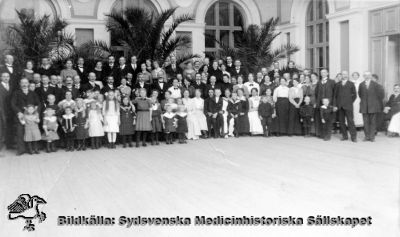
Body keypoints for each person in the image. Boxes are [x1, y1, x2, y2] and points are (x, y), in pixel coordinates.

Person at [11, 78, 41, 155]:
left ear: (28, 84)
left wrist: (36, 111)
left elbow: (38, 104)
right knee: (20, 132)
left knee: (31, 133)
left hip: (31, 117)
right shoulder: (16, 93)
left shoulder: (33, 93)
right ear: (20, 84)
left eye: (26, 83)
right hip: (21, 116)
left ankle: (31, 149)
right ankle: (21, 150)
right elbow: (13, 104)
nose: (24, 84)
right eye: (22, 83)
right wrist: (18, 112)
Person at [358, 71, 384, 142]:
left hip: (373, 106)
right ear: (364, 76)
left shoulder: (375, 84)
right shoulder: (361, 84)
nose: (367, 76)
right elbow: (360, 95)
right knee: (365, 122)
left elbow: (380, 95)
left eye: (368, 75)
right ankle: (366, 137)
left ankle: (372, 137)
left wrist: (374, 102)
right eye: (365, 75)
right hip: (364, 107)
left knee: (373, 122)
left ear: (370, 76)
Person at [333, 70, 357, 142]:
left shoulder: (351, 84)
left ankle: (353, 137)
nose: (344, 75)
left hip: (348, 106)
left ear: (348, 75)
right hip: (340, 107)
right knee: (341, 122)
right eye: (343, 74)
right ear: (341, 75)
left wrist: (349, 102)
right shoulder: (337, 84)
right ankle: (344, 136)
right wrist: (335, 105)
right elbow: (335, 96)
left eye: (346, 74)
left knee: (350, 121)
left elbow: (354, 95)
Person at [315, 69, 335, 137]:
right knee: (321, 118)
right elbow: (316, 93)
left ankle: (328, 135)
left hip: (328, 104)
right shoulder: (319, 82)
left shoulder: (332, 82)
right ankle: (322, 134)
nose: (323, 74)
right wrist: (317, 102)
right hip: (320, 103)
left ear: (327, 73)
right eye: (321, 73)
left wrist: (333, 104)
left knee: (328, 120)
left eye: (324, 72)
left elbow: (334, 93)